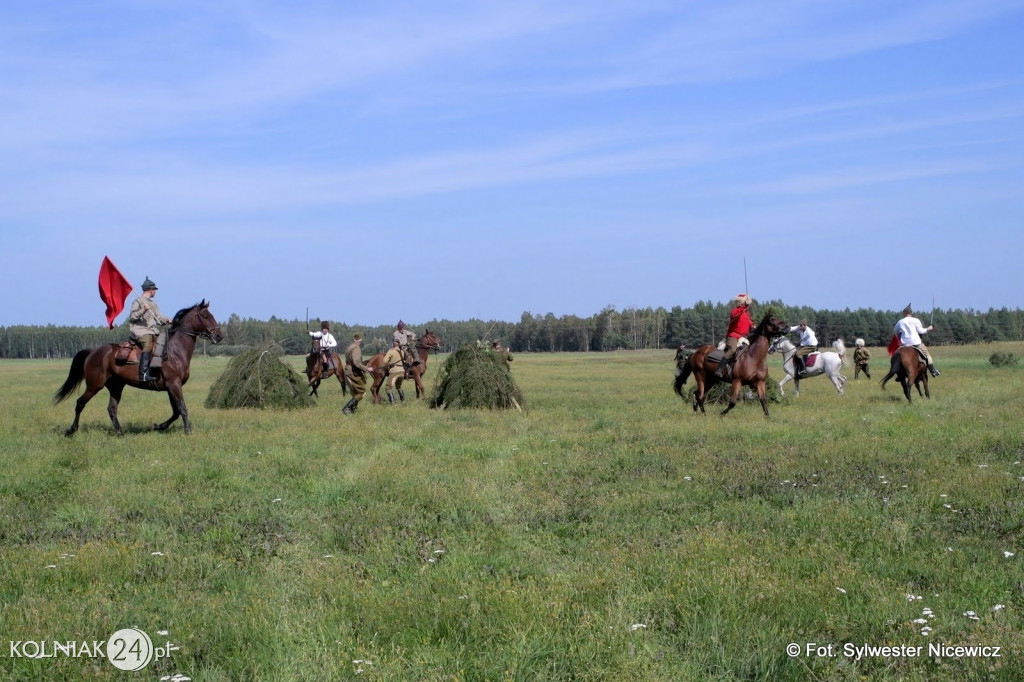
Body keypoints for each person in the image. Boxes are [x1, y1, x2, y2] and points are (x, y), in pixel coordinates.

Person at [128, 276, 171, 382]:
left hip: (152, 329)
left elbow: (159, 319)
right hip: (139, 329)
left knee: (163, 339)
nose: (155, 292)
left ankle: (156, 369)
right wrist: (143, 309)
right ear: (150, 290)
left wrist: (169, 320)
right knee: (148, 342)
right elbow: (132, 317)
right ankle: (142, 374)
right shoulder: (137, 302)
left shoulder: (153, 304)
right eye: (154, 290)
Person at [894, 304, 940, 377]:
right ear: (911, 313)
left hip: (904, 344)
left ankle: (898, 374)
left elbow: (896, 331)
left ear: (904, 313)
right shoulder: (916, 320)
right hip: (916, 343)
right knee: (927, 354)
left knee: (896, 355)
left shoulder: (900, 322)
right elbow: (921, 331)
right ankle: (933, 370)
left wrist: (900, 337)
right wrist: (928, 328)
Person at [716, 293, 753, 378]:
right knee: (733, 349)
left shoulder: (747, 313)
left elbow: (749, 323)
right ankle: (720, 368)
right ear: (742, 302)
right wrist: (744, 307)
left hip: (744, 337)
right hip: (733, 336)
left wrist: (753, 326)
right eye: (745, 303)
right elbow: (735, 316)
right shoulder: (735, 310)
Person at [342, 333, 373, 415]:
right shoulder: (356, 348)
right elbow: (356, 363)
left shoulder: (349, 347)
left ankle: (353, 410)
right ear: (360, 340)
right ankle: (347, 408)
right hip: (353, 372)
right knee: (361, 392)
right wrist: (367, 368)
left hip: (348, 370)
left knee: (355, 393)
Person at [382, 338, 406, 403]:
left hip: (394, 371)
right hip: (402, 372)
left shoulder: (391, 351)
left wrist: (390, 363)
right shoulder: (402, 352)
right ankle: (403, 401)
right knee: (398, 386)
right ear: (398, 344)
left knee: (388, 388)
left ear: (393, 343)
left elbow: (384, 361)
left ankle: (393, 403)